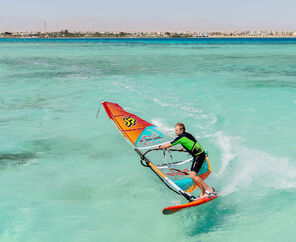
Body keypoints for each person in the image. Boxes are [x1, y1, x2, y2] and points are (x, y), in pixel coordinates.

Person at [157, 122, 216, 198]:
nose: (176, 132)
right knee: (193, 176)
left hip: (199, 156)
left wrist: (159, 147)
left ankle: (209, 190)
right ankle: (203, 192)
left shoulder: (181, 137)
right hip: (198, 155)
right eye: (175, 130)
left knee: (192, 175)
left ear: (182, 130)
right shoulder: (187, 135)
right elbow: (191, 141)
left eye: (177, 130)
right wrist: (184, 147)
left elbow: (168, 145)